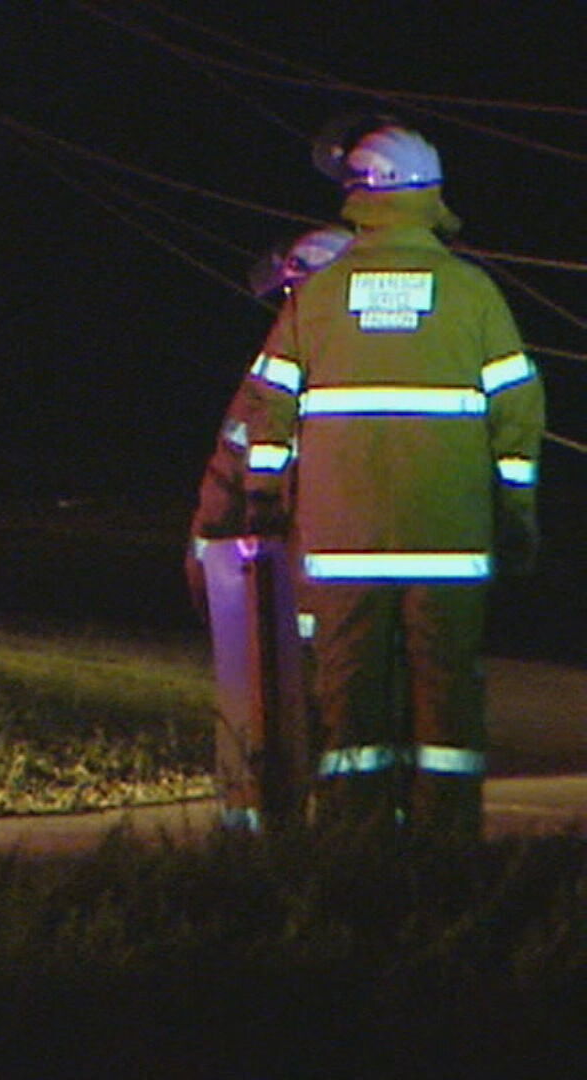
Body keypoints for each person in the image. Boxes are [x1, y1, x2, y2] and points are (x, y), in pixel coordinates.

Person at [229, 119, 544, 841]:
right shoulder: (472, 294)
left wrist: (262, 499)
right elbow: (519, 413)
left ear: (358, 197)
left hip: (342, 545)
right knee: (446, 693)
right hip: (449, 543)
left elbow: (268, 406)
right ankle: (446, 842)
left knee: (348, 695)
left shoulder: (317, 296)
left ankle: (354, 841)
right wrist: (517, 511)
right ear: (429, 197)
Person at [186, 224, 352, 834]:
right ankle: (266, 825)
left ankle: (343, 833)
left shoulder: (344, 375)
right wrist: (209, 553)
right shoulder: (278, 371)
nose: (289, 309)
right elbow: (232, 463)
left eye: (298, 294)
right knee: (273, 711)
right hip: (275, 578)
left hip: (330, 585)